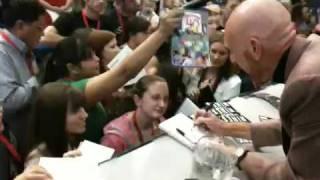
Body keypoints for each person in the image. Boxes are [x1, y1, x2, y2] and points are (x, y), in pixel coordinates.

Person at [195, 0, 320, 179]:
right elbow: (294, 127)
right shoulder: (313, 48)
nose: (233, 61)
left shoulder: (306, 84)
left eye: (232, 52)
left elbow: (295, 177)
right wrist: (225, 128)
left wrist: (237, 155)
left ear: (255, 48)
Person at [43, 9, 183, 143]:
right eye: (90, 56)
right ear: (72, 68)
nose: (96, 59)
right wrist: (161, 33)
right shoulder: (71, 91)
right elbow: (125, 72)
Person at [0, 0, 46, 155]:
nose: (43, 34)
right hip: (11, 141)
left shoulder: (25, 47)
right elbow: (9, 101)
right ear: (20, 26)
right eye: (39, 29)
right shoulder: (1, 52)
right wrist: (34, 79)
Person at [101, 75, 169, 155]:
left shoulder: (162, 122)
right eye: (155, 98)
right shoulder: (115, 138)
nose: (162, 104)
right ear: (138, 100)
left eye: (165, 99)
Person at [25, 82, 87, 167]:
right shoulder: (37, 162)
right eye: (75, 111)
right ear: (55, 117)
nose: (85, 115)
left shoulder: (69, 140)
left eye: (82, 107)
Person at [42, 0, 115, 46]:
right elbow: (46, 37)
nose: (101, 1)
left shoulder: (109, 20)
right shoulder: (70, 18)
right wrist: (76, 42)